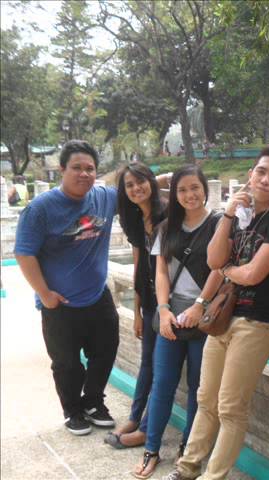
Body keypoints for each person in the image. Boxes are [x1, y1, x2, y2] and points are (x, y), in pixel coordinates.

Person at [163, 144, 269, 480]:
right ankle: (187, 469)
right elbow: (213, 260)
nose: (265, 179)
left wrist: (227, 270)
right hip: (223, 319)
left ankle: (213, 476)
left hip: (259, 322)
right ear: (250, 175)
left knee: (230, 407)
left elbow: (253, 274)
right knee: (205, 398)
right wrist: (227, 215)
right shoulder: (240, 215)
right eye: (261, 172)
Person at [14, 140, 120, 436]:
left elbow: (138, 187)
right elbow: (24, 253)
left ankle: (94, 402)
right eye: (77, 168)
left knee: (105, 351)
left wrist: (167, 180)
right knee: (66, 363)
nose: (84, 174)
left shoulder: (104, 197)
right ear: (62, 169)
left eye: (90, 168)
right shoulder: (40, 209)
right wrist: (45, 294)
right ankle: (73, 410)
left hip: (97, 296)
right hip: (59, 303)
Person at [132, 165, 222, 479]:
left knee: (199, 389)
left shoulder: (218, 224)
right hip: (171, 317)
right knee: (163, 385)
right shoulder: (166, 228)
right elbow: (160, 271)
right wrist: (163, 309)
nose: (189, 195)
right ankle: (151, 449)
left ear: (205, 188)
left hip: (204, 319)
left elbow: (220, 269)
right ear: (175, 194)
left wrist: (199, 306)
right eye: (182, 190)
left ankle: (187, 449)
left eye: (195, 187)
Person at [105, 164, 167, 449]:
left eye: (140, 181)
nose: (136, 188)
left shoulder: (167, 214)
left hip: (171, 303)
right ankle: (134, 417)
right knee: (147, 364)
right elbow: (139, 266)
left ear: (151, 182)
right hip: (150, 301)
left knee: (161, 368)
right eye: (129, 185)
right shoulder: (133, 219)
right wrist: (139, 311)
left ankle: (145, 428)